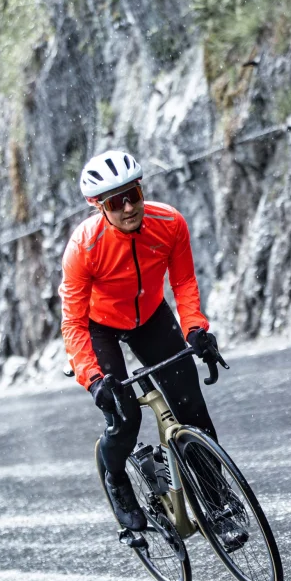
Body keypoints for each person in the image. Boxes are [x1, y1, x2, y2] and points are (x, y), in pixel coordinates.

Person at [59, 150, 223, 532]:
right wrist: (93, 380)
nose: (129, 207)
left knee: (193, 412)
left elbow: (183, 282)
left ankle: (219, 505)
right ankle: (116, 478)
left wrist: (195, 328)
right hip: (99, 326)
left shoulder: (170, 223)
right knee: (125, 417)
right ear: (100, 207)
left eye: (133, 195)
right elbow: (73, 323)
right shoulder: (83, 248)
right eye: (116, 202)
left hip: (150, 316)